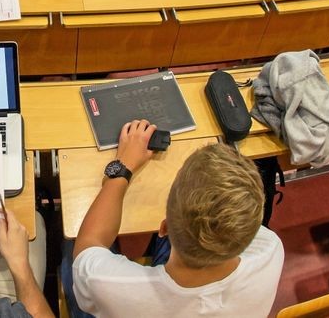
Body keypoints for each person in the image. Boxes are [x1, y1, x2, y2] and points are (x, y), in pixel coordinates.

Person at [66, 127, 283, 317]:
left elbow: (88, 244)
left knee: (70, 248)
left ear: (164, 227)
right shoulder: (270, 250)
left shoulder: (105, 284)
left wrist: (122, 167)